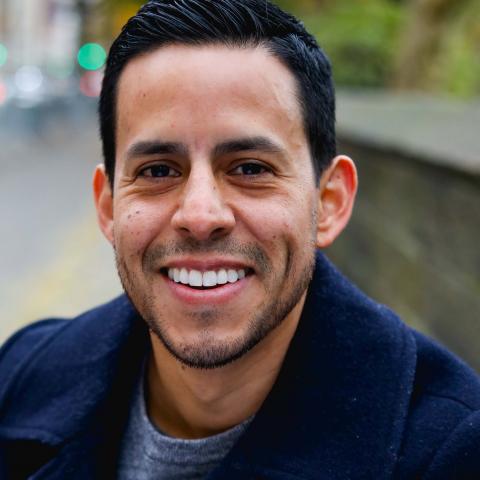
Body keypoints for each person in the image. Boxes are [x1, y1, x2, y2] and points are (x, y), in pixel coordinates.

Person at [1, 0, 479, 478]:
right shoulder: (19, 378)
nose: (201, 215)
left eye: (250, 168)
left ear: (329, 202)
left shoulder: (452, 450)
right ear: (107, 207)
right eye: (159, 170)